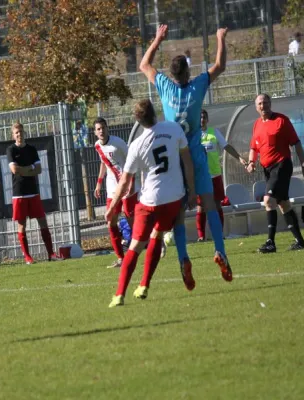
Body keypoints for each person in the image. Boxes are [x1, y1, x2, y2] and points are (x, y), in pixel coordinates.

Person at [139, 24, 233, 289]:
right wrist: (219, 38)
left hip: (173, 156)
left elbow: (144, 64)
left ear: (171, 74)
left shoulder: (165, 87)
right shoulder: (197, 87)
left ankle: (183, 257)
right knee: (210, 203)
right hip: (194, 153)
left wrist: (157, 39)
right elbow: (220, 65)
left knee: (179, 214)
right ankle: (220, 250)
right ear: (189, 72)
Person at [107, 99, 196, 307]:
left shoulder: (137, 145)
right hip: (174, 198)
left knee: (136, 246)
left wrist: (112, 208)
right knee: (157, 234)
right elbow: (187, 160)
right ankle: (145, 284)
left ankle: (119, 294)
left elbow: (124, 182)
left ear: (137, 120)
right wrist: (190, 190)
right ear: (155, 113)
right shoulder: (173, 128)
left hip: (150, 201)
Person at [246, 94, 304, 253]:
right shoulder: (256, 124)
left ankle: (270, 242)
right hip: (267, 169)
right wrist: (251, 162)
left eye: (266, 103)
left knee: (268, 200)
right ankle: (300, 241)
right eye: (260, 104)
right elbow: (254, 148)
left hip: (282, 165)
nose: (263, 106)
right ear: (256, 107)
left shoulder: (282, 121)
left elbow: (296, 143)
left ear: (270, 104)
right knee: (283, 204)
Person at [7, 122, 62, 264]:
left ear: (24, 132)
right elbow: (15, 170)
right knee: (22, 225)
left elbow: (38, 169)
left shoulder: (31, 149)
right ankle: (27, 257)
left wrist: (25, 169)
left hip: (33, 192)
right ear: (13, 135)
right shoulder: (11, 150)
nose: (19, 134)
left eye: (20, 131)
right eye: (16, 132)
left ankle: (51, 253)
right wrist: (29, 169)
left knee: (43, 221)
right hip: (19, 193)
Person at [93, 117, 139, 268]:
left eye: (103, 128)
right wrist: (99, 183)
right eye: (98, 129)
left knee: (130, 217)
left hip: (126, 184)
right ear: (95, 132)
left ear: (107, 128)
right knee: (110, 221)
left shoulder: (118, 143)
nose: (101, 131)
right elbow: (103, 162)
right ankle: (121, 258)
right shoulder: (97, 146)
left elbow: (131, 161)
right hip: (112, 188)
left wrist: (131, 183)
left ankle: (149, 242)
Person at [197, 109, 247, 241]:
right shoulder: (193, 135)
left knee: (217, 204)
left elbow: (226, 146)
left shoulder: (214, 132)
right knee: (201, 207)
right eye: (200, 117)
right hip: (201, 176)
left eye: (204, 117)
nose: (202, 120)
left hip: (215, 174)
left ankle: (218, 233)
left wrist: (239, 158)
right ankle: (201, 236)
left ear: (207, 120)